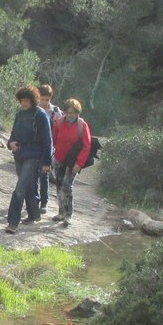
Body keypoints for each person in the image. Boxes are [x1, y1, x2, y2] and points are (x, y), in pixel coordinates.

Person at [4, 86, 52, 234]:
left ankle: (13, 222)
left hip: (34, 156)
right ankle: (34, 214)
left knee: (20, 189)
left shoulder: (40, 115)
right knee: (29, 186)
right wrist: (10, 144)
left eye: (26, 100)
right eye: (22, 100)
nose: (24, 103)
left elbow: (47, 140)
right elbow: (13, 134)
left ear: (32, 100)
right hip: (19, 155)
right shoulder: (19, 114)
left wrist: (46, 162)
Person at [51, 98, 92, 228]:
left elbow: (87, 146)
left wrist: (79, 163)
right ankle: (61, 212)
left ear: (77, 112)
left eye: (73, 113)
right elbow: (53, 139)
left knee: (67, 186)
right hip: (59, 159)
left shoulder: (82, 125)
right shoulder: (58, 123)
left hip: (73, 161)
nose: (70, 115)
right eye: (68, 112)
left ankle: (68, 215)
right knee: (58, 185)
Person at [36, 85, 62, 212]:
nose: (45, 102)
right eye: (42, 99)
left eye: (47, 99)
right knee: (33, 175)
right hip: (34, 145)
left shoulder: (56, 111)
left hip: (48, 146)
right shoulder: (33, 109)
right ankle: (34, 200)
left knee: (44, 174)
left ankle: (44, 202)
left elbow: (62, 129)